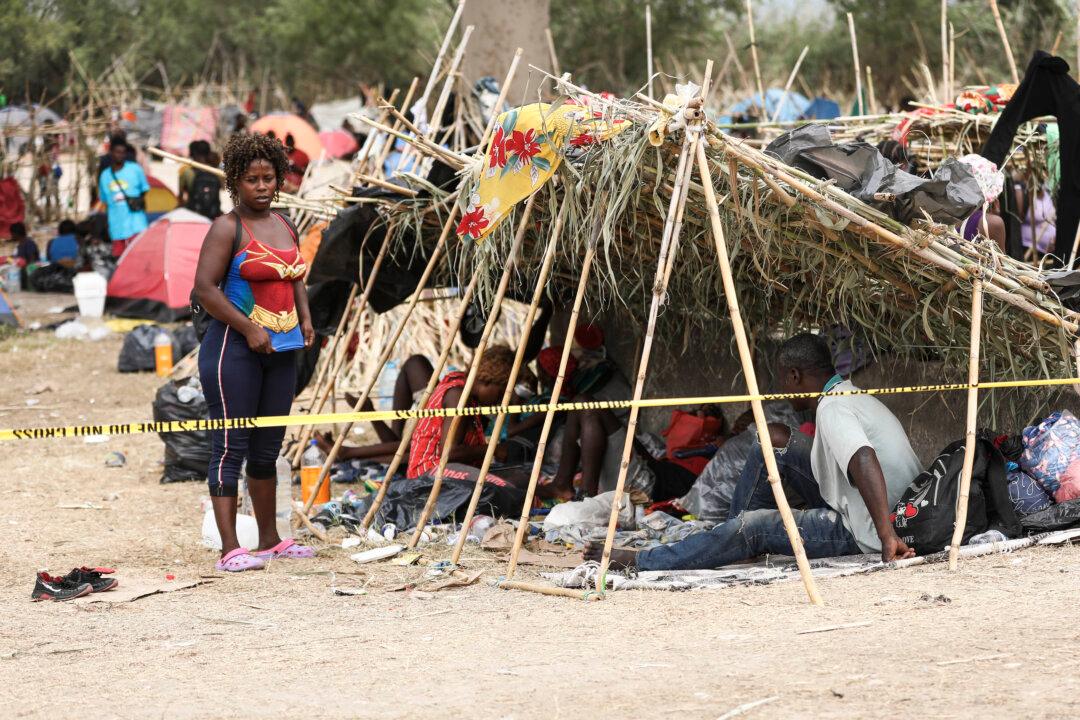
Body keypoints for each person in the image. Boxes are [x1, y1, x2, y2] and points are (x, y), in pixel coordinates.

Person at [586, 333, 921, 570]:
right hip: (892, 508)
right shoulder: (850, 395)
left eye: (781, 380)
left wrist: (886, 536)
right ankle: (733, 538)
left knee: (755, 526)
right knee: (774, 437)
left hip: (867, 529)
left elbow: (863, 457)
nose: (780, 390)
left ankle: (643, 561)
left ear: (794, 375)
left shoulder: (832, 408)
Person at [193, 132, 315, 573]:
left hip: (281, 348)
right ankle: (231, 549)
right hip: (233, 351)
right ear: (235, 183)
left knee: (268, 448)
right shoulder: (227, 228)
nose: (262, 187)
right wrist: (247, 328)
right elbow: (204, 289)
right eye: (252, 180)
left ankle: (270, 541)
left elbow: (295, 276)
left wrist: (304, 319)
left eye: (269, 178)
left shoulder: (285, 224)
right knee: (230, 446)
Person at [406, 345, 516, 479]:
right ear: (488, 381)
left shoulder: (465, 390)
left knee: (517, 479)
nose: (500, 400)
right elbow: (449, 453)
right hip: (429, 474)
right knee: (506, 488)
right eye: (500, 394)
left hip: (446, 471)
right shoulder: (458, 395)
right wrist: (494, 449)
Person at [98, 137, 148, 257]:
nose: (120, 155)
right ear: (111, 153)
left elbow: (144, 189)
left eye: (123, 152)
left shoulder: (135, 169)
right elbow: (104, 199)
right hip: (116, 228)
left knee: (138, 257)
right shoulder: (105, 176)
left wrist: (134, 201)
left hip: (137, 226)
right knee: (119, 262)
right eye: (117, 152)